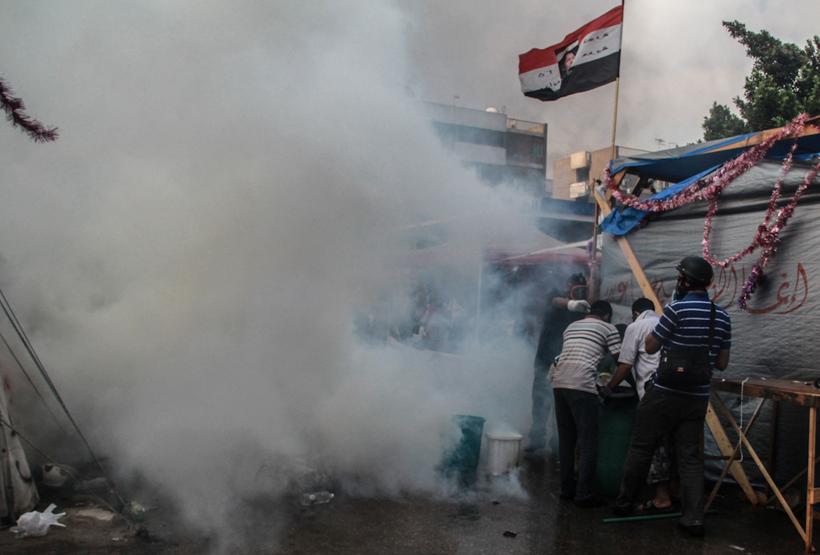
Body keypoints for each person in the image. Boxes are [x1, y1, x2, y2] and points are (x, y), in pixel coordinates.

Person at [612, 257, 732, 538]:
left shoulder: (676, 309)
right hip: (697, 399)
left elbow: (651, 347)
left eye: (679, 277)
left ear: (684, 282)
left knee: (642, 448)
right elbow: (723, 364)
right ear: (708, 283)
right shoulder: (722, 316)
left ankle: (624, 504)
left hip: (664, 394)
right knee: (690, 458)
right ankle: (693, 520)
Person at [601, 297, 672, 513]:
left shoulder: (636, 326)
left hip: (653, 393)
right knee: (671, 444)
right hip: (675, 391)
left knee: (646, 448)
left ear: (634, 313)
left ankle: (648, 499)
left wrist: (608, 389)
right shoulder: (665, 322)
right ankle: (673, 493)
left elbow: (624, 367)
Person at [552, 300, 621, 508]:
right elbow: (621, 360)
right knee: (588, 442)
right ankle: (584, 494)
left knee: (566, 440)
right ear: (607, 315)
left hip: (559, 383)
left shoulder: (571, 327)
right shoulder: (609, 328)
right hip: (582, 387)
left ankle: (566, 489)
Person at [525, 273, 590, 454]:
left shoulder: (584, 306)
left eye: (582, 289)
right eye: (576, 287)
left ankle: (557, 442)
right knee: (539, 400)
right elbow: (555, 301)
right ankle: (537, 438)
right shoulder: (557, 295)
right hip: (545, 359)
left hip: (566, 361)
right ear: (568, 285)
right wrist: (571, 304)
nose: (579, 292)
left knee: (559, 403)